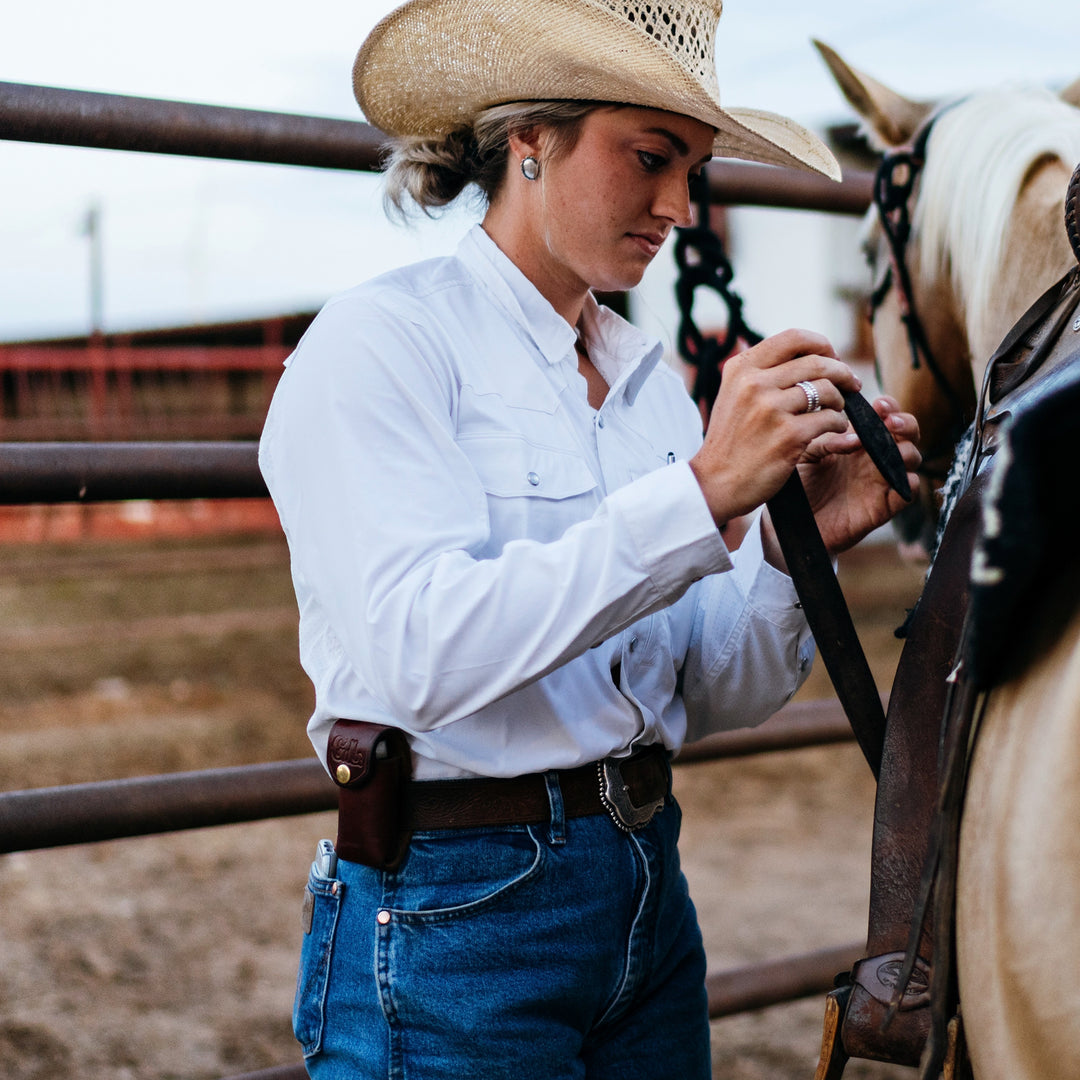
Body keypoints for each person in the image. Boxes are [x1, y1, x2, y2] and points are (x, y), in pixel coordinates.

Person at [258, 0, 921, 1076]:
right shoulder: (381, 346)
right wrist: (701, 495)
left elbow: (711, 693)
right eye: (651, 157)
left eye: (694, 170)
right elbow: (416, 655)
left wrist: (792, 553)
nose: (679, 207)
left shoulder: (648, 388)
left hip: (645, 883)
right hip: (457, 911)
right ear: (531, 136)